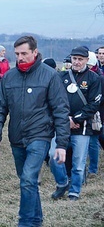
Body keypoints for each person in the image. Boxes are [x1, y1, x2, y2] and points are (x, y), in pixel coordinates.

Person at [0, 36, 70, 227]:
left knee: (27, 179)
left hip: (40, 136)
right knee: (28, 181)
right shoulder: (9, 77)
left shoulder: (50, 76)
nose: (20, 57)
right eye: (17, 54)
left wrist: (61, 144)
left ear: (35, 52)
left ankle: (25, 222)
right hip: (17, 137)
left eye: (24, 53)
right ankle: (36, 219)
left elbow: (61, 110)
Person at [49, 46, 101, 201]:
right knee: (53, 156)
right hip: (61, 124)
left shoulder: (94, 79)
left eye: (80, 59)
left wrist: (76, 119)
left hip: (83, 127)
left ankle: (74, 192)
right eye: (74, 59)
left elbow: (94, 103)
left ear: (86, 60)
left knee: (78, 164)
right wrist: (66, 119)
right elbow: (54, 99)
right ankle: (63, 182)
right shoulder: (61, 76)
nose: (77, 62)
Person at [85, 51, 104, 179]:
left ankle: (92, 169)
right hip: (82, 113)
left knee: (93, 141)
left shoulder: (99, 78)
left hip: (96, 114)